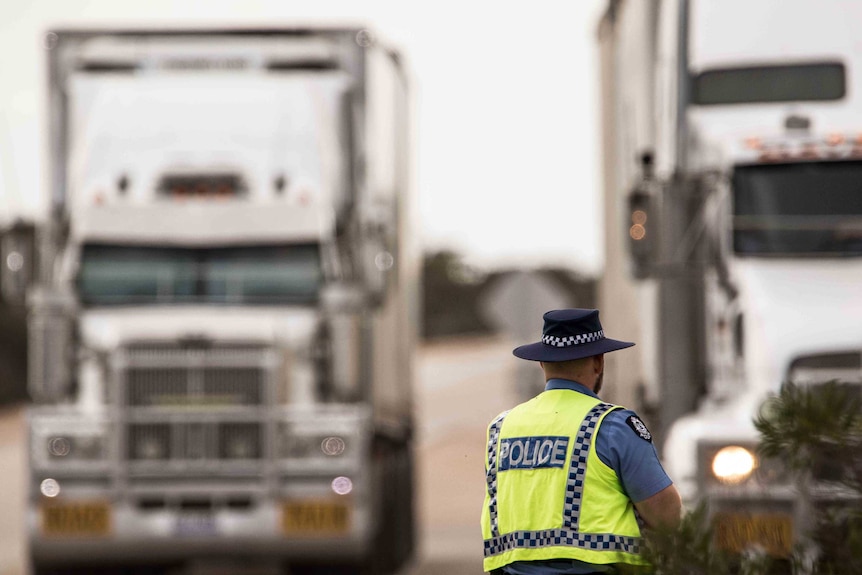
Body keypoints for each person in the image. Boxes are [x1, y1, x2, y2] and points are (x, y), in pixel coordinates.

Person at [481, 308, 681, 574]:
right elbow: (665, 513)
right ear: (598, 363)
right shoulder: (612, 426)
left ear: (542, 363)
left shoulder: (501, 427)